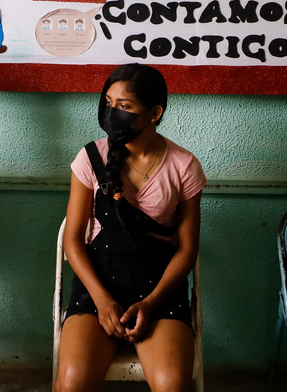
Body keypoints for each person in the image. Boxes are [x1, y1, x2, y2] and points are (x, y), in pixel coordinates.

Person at [56, 64, 205, 392]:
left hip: (159, 289)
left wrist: (151, 302)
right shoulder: (90, 158)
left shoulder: (184, 166)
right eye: (108, 102)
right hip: (98, 283)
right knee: (71, 382)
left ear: (154, 113)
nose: (112, 113)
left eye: (124, 107)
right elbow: (73, 240)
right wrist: (102, 299)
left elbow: (187, 249)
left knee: (173, 384)